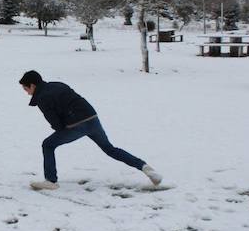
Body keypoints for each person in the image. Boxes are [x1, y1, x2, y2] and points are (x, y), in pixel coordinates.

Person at [19, 70, 162, 190]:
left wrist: (63, 129)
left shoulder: (42, 98)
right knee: (110, 149)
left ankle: (50, 181)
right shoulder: (58, 84)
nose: (26, 93)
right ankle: (145, 168)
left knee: (48, 144)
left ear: (32, 85)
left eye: (26, 89)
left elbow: (55, 122)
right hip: (92, 118)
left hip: (76, 125)